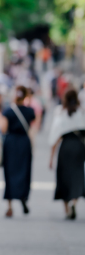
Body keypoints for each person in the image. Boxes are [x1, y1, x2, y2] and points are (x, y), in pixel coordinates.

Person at [0, 86, 35, 218]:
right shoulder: (30, 111)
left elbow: (3, 129)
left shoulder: (8, 111)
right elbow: (33, 128)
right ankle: (23, 197)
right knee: (24, 171)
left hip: (11, 144)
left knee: (10, 172)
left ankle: (10, 206)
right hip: (24, 143)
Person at [48, 89, 85, 220]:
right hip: (79, 147)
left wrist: (51, 157)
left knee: (63, 175)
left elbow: (55, 136)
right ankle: (73, 202)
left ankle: (66, 208)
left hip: (66, 146)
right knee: (77, 175)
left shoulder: (60, 112)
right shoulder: (81, 111)